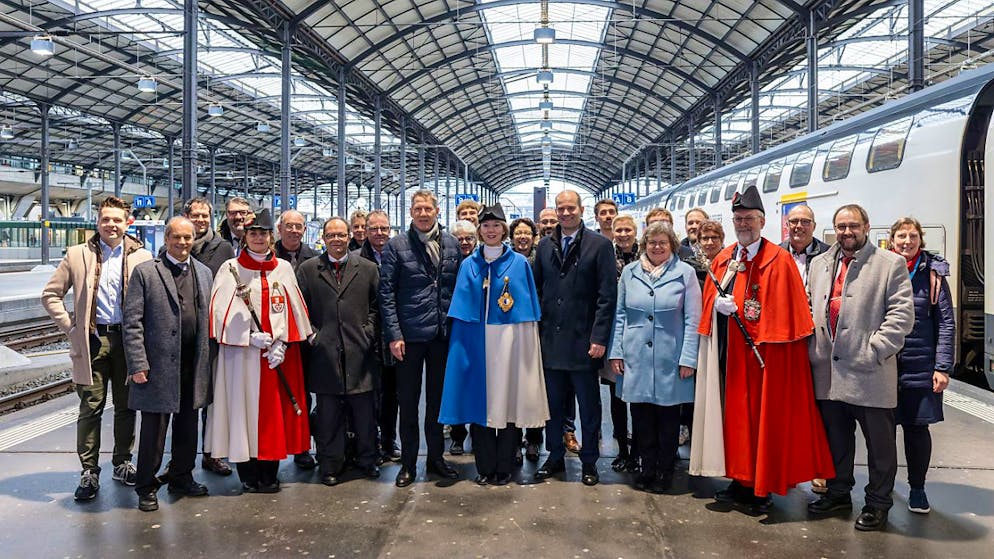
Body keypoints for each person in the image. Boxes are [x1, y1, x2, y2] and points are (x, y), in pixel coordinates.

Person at [690, 185, 834, 513]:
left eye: (749, 219)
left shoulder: (779, 260)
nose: (743, 224)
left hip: (765, 359)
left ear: (762, 221)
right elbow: (711, 297)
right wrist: (717, 307)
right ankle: (740, 480)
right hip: (732, 359)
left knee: (761, 423)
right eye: (738, 218)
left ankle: (761, 486)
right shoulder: (726, 256)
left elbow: (789, 313)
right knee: (735, 422)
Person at [806, 205, 915, 531]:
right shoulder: (819, 263)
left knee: (879, 446)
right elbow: (811, 304)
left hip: (870, 371)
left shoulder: (889, 264)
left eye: (853, 226)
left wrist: (876, 349)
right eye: (841, 226)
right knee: (836, 440)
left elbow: (901, 316)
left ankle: (878, 503)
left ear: (866, 227)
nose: (847, 232)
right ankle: (838, 493)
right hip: (828, 371)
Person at [42, 196, 152, 501]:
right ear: (97, 221)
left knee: (127, 405)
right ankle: (89, 471)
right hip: (93, 340)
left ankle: (122, 462)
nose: (111, 225)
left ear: (127, 223)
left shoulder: (143, 257)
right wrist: (71, 327)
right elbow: (51, 294)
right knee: (91, 407)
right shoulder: (77, 255)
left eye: (117, 220)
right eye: (106, 219)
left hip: (129, 341)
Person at [440, 204, 549, 485]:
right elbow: (462, 312)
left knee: (509, 402)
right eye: (486, 226)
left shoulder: (520, 263)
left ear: (504, 230)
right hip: (477, 341)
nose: (491, 231)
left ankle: (505, 467)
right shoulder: (469, 265)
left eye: (496, 226)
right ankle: (485, 467)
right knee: (480, 405)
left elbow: (526, 312)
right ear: (480, 231)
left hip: (510, 341)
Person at [205, 209, 312, 494]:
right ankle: (248, 473)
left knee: (273, 416)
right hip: (243, 356)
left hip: (276, 358)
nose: (258, 238)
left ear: (270, 237)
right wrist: (248, 337)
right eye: (252, 233)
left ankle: (269, 472)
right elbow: (218, 313)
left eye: (262, 233)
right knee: (243, 411)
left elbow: (295, 310)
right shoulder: (229, 269)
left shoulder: (284, 269)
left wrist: (282, 343)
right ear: (245, 237)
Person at [123, 217, 212, 511]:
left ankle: (181, 476)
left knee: (188, 427)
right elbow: (132, 322)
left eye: (188, 238)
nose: (183, 243)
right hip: (157, 367)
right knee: (154, 431)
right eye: (177, 237)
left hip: (192, 364)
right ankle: (146, 486)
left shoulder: (203, 272)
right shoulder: (145, 273)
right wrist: (138, 363)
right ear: (166, 238)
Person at [532, 190, 617, 486]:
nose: (566, 213)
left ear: (582, 210)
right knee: (553, 407)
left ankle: (589, 461)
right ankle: (554, 455)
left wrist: (599, 337)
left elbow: (607, 296)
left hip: (584, 342)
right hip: (551, 342)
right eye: (561, 208)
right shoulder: (544, 246)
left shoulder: (601, 246)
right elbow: (538, 291)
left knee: (589, 407)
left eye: (571, 208)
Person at [609, 222, 701, 492]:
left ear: (672, 244)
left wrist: (688, 358)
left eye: (662, 242)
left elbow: (693, 319)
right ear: (644, 245)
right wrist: (617, 352)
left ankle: (665, 471)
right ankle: (646, 468)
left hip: (670, 359)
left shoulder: (685, 274)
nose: (657, 247)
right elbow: (620, 315)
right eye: (652, 242)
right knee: (642, 418)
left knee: (669, 421)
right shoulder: (629, 273)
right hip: (635, 356)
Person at [380, 190, 461, 487]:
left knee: (438, 404)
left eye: (428, 208)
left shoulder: (452, 244)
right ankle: (409, 464)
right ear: (411, 212)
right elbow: (386, 293)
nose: (423, 213)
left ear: (437, 210)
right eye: (418, 209)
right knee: (409, 403)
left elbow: (456, 291)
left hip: (442, 336)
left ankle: (437, 458)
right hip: (409, 338)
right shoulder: (396, 246)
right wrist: (394, 334)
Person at [297, 217, 382, 486]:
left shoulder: (367, 269)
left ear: (349, 237)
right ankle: (330, 463)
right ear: (323, 238)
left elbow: (376, 307)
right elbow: (301, 309)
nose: (336, 239)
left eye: (341, 235)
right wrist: (314, 336)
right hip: (325, 354)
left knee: (364, 413)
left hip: (361, 352)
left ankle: (367, 460)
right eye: (331, 235)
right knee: (328, 415)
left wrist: (367, 333)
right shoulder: (309, 269)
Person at [888, 217, 953, 514]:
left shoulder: (933, 274)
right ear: (891, 240)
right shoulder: (883, 268)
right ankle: (882, 488)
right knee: (882, 433)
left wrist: (942, 367)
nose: (907, 241)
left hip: (920, 366)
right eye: (901, 236)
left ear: (920, 240)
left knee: (916, 431)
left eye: (912, 236)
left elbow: (946, 323)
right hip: (885, 365)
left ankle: (917, 489)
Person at [179, 197, 236, 476]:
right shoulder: (179, 245)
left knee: (212, 397)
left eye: (205, 216)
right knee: (185, 398)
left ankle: (212, 453)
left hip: (213, 333)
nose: (200, 220)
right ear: (186, 216)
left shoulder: (222, 248)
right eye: (196, 215)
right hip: (184, 335)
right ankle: (181, 460)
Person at [354, 210, 401, 463]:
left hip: (392, 335)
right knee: (368, 394)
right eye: (374, 229)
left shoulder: (397, 255)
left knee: (392, 393)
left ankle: (389, 441)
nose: (379, 233)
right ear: (364, 231)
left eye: (384, 228)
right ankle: (368, 442)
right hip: (366, 337)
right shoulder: (356, 259)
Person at [274, 210, 319, 470]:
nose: (293, 231)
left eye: (298, 226)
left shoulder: (313, 259)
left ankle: (304, 446)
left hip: (305, 338)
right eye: (288, 226)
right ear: (280, 229)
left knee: (306, 394)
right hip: (274, 341)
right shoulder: (268, 256)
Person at [604, 214, 639, 472]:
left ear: (635, 232)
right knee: (617, 395)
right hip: (614, 332)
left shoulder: (646, 256)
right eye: (620, 230)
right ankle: (622, 448)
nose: (624, 234)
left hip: (639, 333)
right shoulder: (606, 255)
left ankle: (638, 448)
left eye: (628, 229)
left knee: (638, 396)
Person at [446, 219, 477, 455]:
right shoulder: (447, 263)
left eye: (469, 238)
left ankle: (478, 434)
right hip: (453, 329)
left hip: (478, 331)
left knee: (477, 384)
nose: (464, 242)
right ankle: (457, 435)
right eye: (460, 238)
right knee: (457, 384)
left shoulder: (481, 262)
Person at [780, 204, 830, 286]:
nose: (799, 226)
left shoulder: (827, 255)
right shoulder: (776, 254)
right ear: (787, 225)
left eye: (805, 221)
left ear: (814, 226)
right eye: (794, 221)